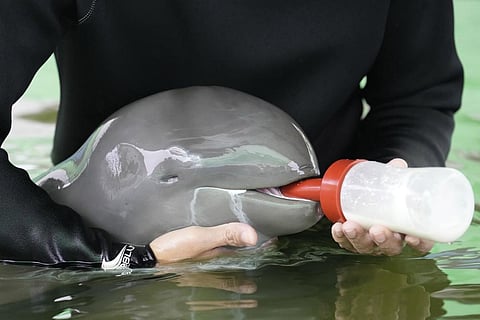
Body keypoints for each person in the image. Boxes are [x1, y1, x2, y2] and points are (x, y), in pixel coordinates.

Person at [0, 1, 463, 269]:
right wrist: (121, 260)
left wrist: (386, 190)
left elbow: (417, 94)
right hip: (91, 234)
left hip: (327, 234)